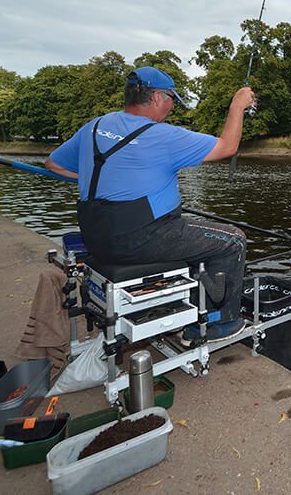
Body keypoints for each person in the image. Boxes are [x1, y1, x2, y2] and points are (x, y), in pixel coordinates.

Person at [45, 67, 256, 341]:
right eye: (170, 98)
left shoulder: (94, 126)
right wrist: (237, 106)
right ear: (157, 97)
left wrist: (113, 179)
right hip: (141, 238)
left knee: (193, 238)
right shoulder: (165, 136)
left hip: (95, 237)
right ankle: (219, 323)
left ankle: (188, 307)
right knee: (233, 240)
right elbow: (226, 147)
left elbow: (53, 164)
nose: (170, 106)